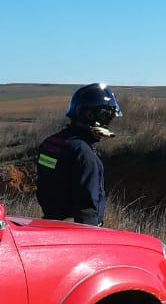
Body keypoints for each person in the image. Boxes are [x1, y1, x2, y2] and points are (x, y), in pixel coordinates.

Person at [35, 83, 120, 226]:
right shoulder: (84, 154)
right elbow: (87, 208)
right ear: (88, 114)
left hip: (50, 224)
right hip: (76, 232)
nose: (107, 124)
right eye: (106, 117)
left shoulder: (51, 143)